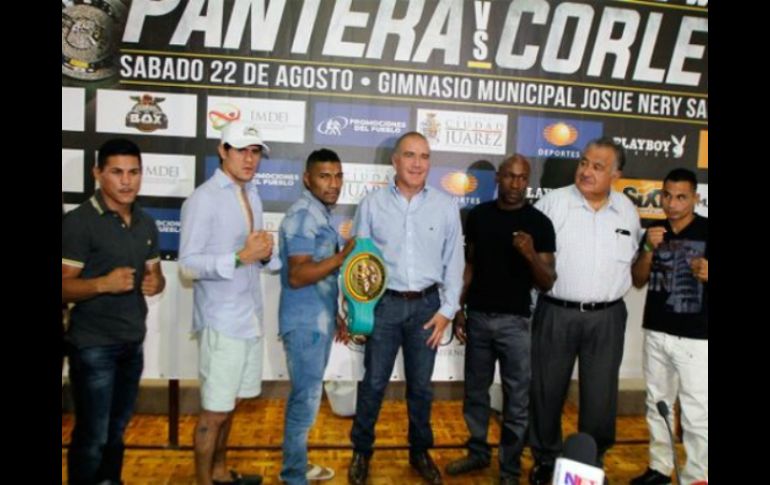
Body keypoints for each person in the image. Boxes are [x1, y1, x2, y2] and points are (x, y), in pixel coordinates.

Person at [347, 131, 464, 485]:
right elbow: (359, 262)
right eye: (410, 155)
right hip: (384, 308)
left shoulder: (445, 206)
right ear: (394, 161)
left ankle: (419, 452)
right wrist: (358, 310)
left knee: (421, 388)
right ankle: (361, 453)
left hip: (428, 308)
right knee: (373, 384)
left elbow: (454, 262)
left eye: (424, 156)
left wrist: (447, 310)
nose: (417, 163)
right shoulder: (371, 204)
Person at [528, 137, 642, 484]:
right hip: (556, 312)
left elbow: (636, 262)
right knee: (547, 392)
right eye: (583, 163)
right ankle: (545, 460)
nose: (586, 171)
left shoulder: (627, 210)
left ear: (616, 174)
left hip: (606, 318)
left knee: (600, 397)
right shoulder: (552, 204)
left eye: (597, 166)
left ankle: (590, 463)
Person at [444, 155, 555, 484]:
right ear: (498, 179)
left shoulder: (539, 223)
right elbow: (470, 266)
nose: (516, 184)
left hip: (517, 323)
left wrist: (531, 254)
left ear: (528, 180)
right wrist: (458, 310)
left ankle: (509, 469)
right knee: (475, 393)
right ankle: (477, 453)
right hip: (478, 317)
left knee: (517, 400)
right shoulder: (478, 216)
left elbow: (547, 281)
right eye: (510, 177)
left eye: (523, 178)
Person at [179, 120, 278, 485]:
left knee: (230, 404)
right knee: (213, 412)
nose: (250, 159)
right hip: (222, 322)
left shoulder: (252, 193)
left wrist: (264, 255)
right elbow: (187, 266)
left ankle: (220, 473)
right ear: (223, 151)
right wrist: (239, 256)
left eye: (255, 152)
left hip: (248, 316)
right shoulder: (203, 198)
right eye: (241, 151)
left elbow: (253, 254)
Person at [62, 138, 166, 485]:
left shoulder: (146, 222)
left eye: (134, 172)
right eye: (117, 172)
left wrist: (157, 283)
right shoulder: (79, 222)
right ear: (98, 174)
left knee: (118, 431)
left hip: (131, 343)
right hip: (93, 346)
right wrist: (101, 284)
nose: (127, 181)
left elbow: (157, 275)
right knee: (93, 436)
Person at [278, 148, 356, 484]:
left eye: (338, 176)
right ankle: (293, 474)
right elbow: (297, 275)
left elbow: (316, 274)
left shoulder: (320, 214)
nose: (333, 183)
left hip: (317, 319)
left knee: (307, 398)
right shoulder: (303, 216)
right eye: (325, 176)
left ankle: (297, 465)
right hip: (304, 324)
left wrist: (334, 312)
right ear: (307, 179)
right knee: (305, 401)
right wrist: (341, 259)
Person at [630, 168, 708, 485]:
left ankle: (696, 477)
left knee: (696, 412)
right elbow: (637, 280)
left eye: (681, 197)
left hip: (697, 338)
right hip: (657, 331)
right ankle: (660, 468)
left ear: (695, 198)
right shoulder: (654, 229)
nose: (672, 204)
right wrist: (648, 249)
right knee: (656, 404)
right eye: (667, 195)